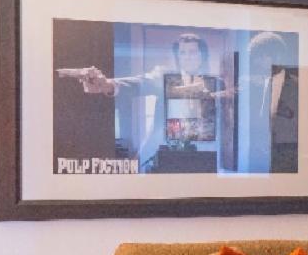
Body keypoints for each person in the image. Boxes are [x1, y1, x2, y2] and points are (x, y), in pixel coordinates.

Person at [59, 30, 234, 173]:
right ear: (178, 57)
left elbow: (225, 122)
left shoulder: (217, 83)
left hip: (205, 156)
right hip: (166, 156)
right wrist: (107, 85)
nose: (187, 57)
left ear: (202, 55)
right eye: (183, 53)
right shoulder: (163, 78)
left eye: (193, 52)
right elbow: (136, 83)